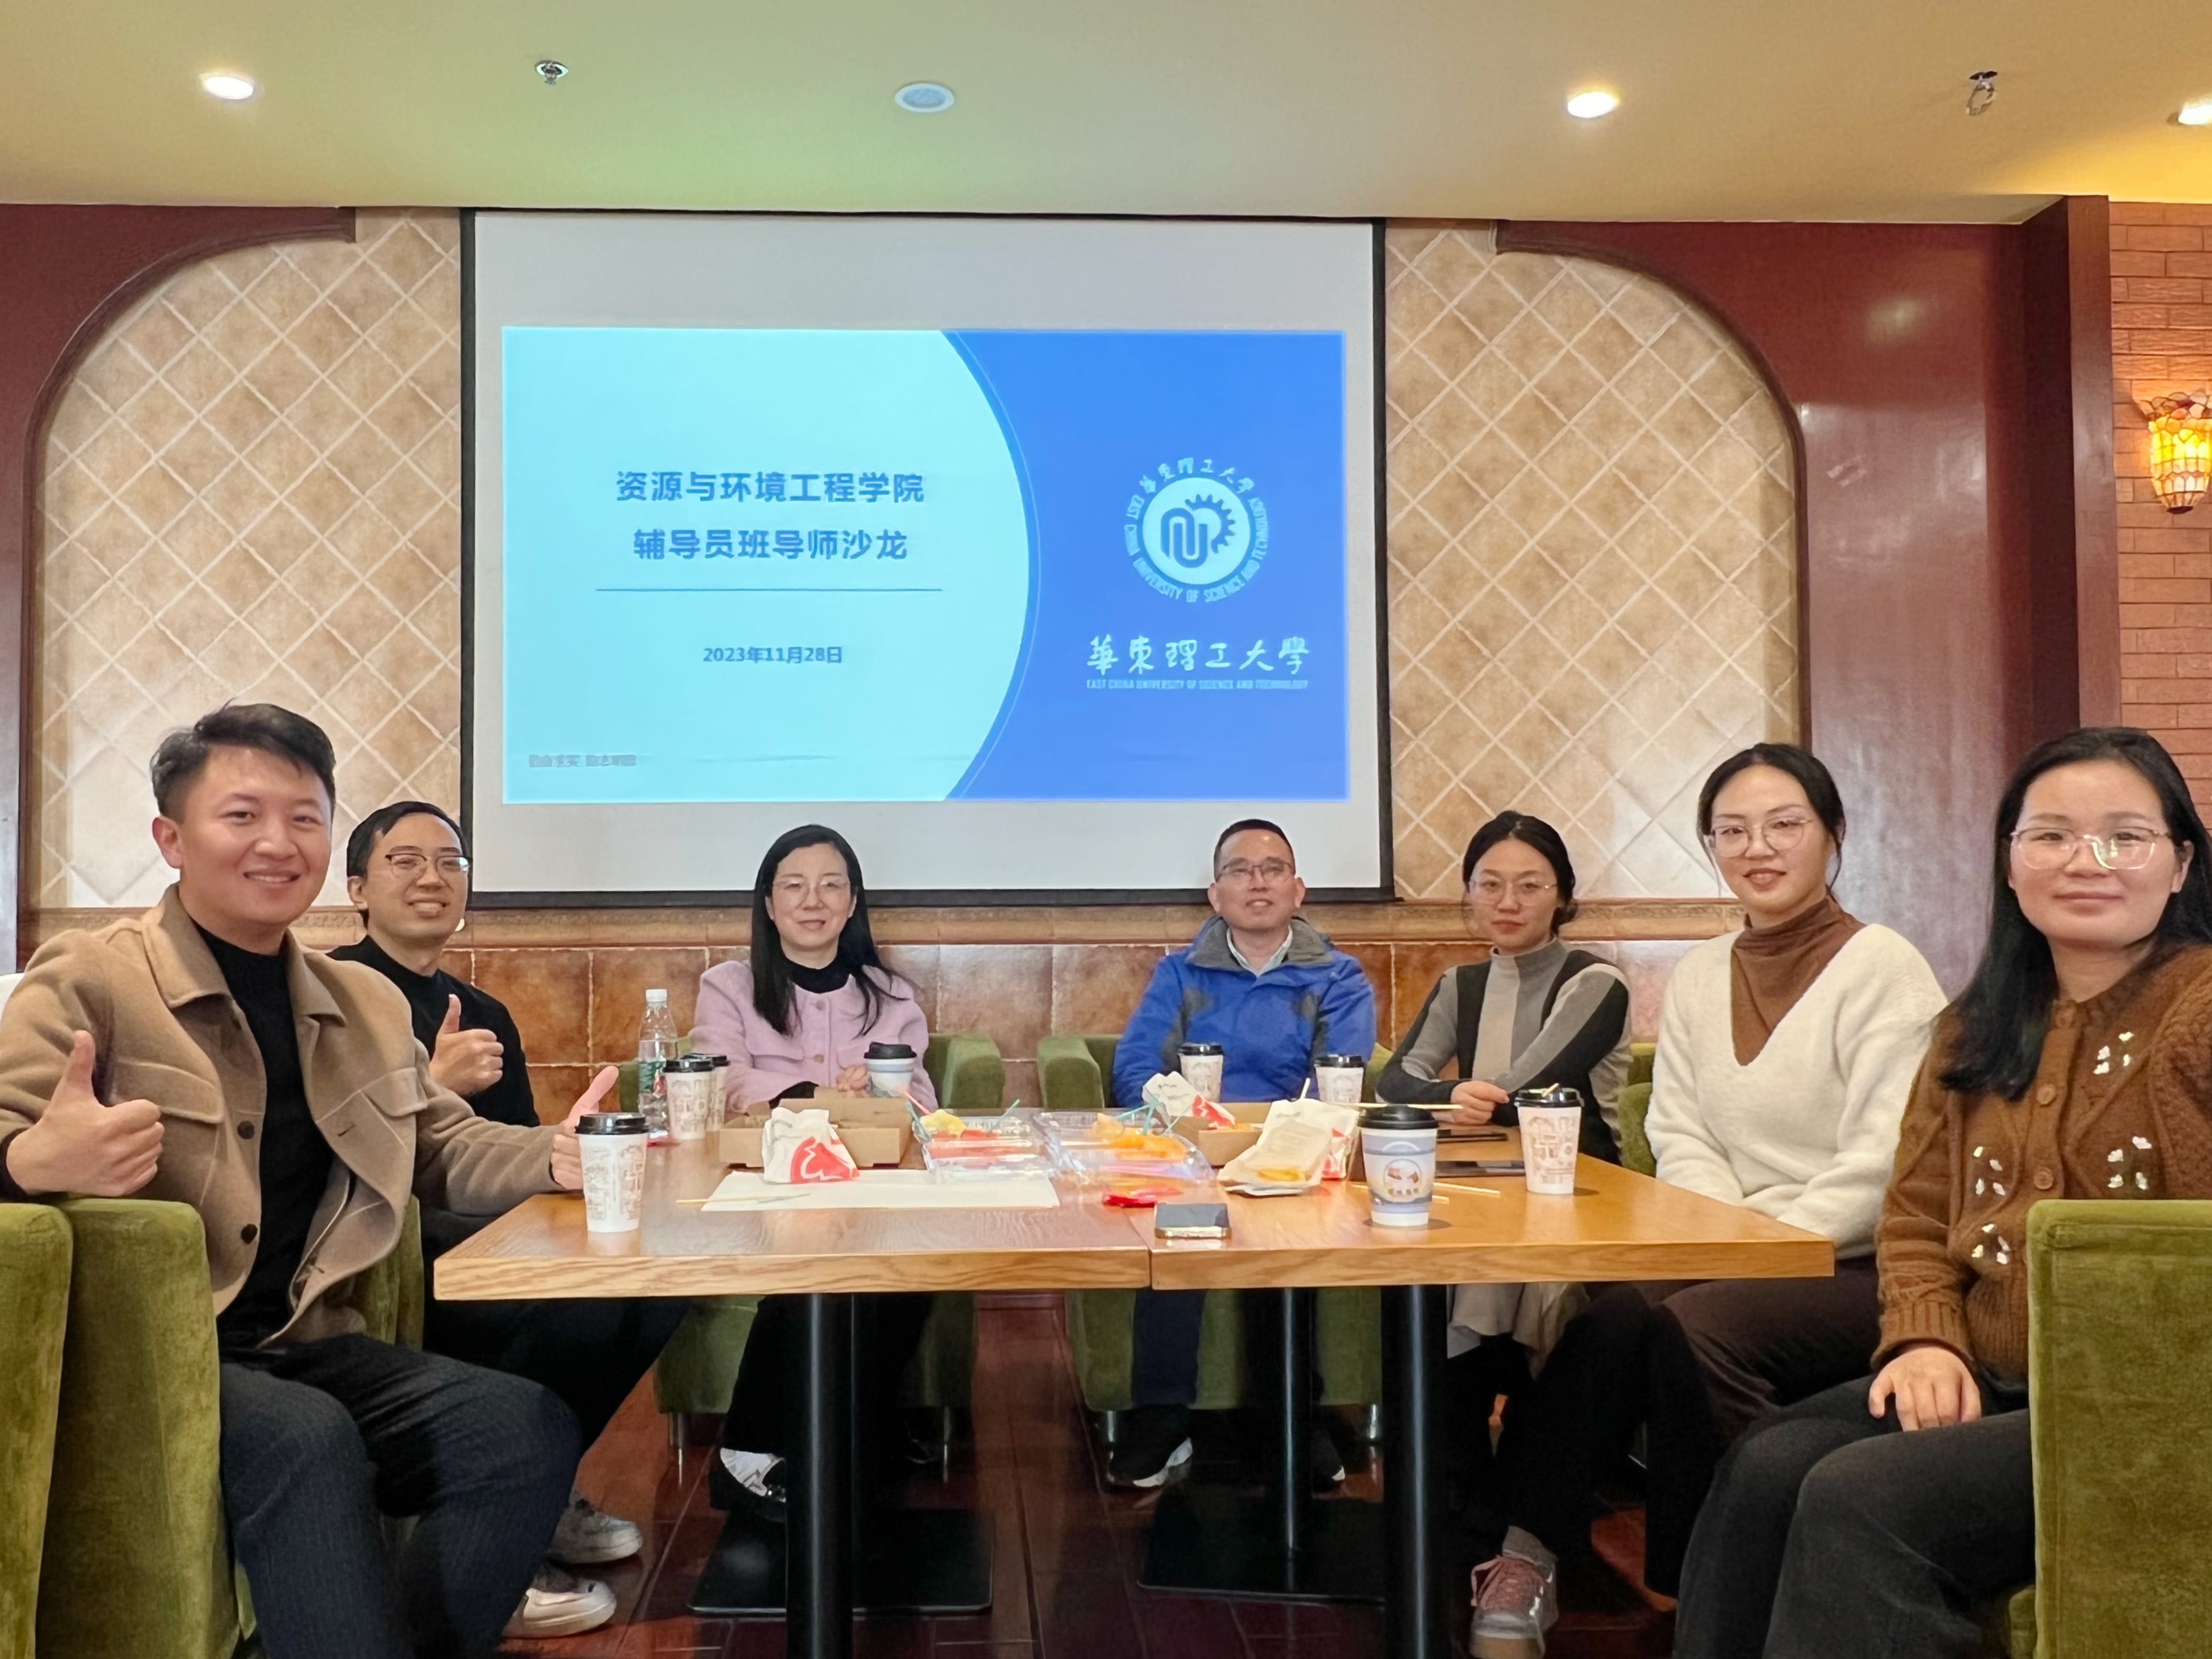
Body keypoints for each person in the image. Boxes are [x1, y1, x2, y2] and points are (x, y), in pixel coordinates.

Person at [0, 704, 611, 1659]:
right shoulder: (93, 978)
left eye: (305, 817)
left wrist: (557, 1156)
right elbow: (12, 1125)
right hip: (154, 1360)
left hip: (302, 1341)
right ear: (171, 838)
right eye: (242, 815)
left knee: (522, 1426)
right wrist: (31, 1162)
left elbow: (443, 1146)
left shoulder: (362, 1002)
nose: (278, 843)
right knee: (309, 1437)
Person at [1674, 727, 2212, 1659]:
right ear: (2009, 862)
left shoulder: (2198, 1011)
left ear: (2180, 864)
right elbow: (1917, 1216)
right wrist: (1927, 1337)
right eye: (2050, 835)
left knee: (1859, 1498)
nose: (2085, 860)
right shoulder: (1975, 1024)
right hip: (1995, 1378)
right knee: (1765, 1465)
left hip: (2152, 1406)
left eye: (2125, 836)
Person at [1467, 744, 1947, 1659]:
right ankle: (1531, 1552)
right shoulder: (1699, 972)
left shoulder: (1885, 967)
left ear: (1833, 833)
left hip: (1859, 1259)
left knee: (1687, 1323)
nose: (1757, 847)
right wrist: (1729, 1238)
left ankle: (1720, 1587)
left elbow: (1884, 1160)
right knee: (1611, 1310)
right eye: (1733, 830)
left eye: (1784, 824)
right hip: (1736, 1243)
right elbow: (1680, 1133)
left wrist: (1760, 1244)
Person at [329, 799, 689, 1637]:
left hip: (488, 1226)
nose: (432, 877)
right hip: (390, 1234)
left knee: (654, 1278)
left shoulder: (482, 1010)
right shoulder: (339, 997)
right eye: (405, 861)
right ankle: (499, 1537)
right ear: (358, 889)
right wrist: (434, 1084)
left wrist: (569, 1163)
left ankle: (536, 1498)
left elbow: (517, 1152)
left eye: (450, 862)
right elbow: (347, 1155)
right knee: (576, 1304)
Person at [1106, 819, 1378, 1488]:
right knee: (1175, 1235)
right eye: (1240, 870)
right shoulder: (1179, 972)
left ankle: (1294, 1414)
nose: (1257, 882)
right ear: (1216, 893)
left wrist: (1278, 1144)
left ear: (1298, 889)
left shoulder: (1338, 976)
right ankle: (1161, 1418)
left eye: (1272, 868)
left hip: (1297, 1161)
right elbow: (1136, 1064)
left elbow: (1340, 1072)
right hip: (1196, 1157)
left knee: (1286, 1236)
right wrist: (1189, 1125)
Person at [1375, 811, 1631, 1488]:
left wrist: (1456, 1096)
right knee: (1421, 1281)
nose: (1508, 902)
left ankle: (1528, 1494)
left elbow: (1528, 1089)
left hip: (1579, 1194)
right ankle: (1454, 1498)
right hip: (1482, 1186)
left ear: (1562, 895)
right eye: (1489, 885)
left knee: (1491, 1286)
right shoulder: (1460, 984)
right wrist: (1451, 1092)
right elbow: (1396, 1079)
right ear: (1469, 893)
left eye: (1529, 885)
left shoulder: (1595, 982)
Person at [692, 825, 936, 1519]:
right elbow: (723, 1079)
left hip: (867, 1181)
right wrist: (817, 1092)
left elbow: (922, 1098)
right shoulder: (729, 986)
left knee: (914, 1271)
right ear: (769, 904)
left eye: (832, 886)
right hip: (763, 1182)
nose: (813, 900)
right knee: (808, 1265)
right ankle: (746, 1454)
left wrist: (882, 1089)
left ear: (853, 902)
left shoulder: (890, 993)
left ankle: (855, 1429)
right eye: (794, 886)